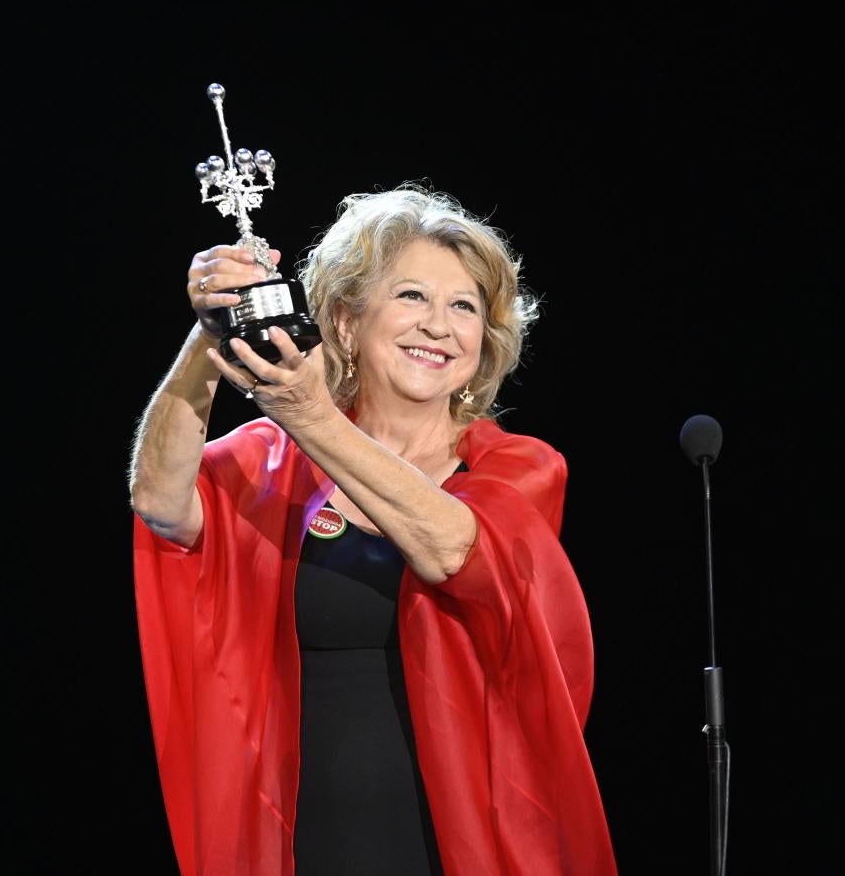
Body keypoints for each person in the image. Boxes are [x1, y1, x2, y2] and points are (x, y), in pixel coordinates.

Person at [129, 185, 615, 875]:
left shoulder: (518, 469)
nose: (439, 326)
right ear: (348, 323)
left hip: (460, 849)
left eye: (464, 307)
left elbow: (453, 549)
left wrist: (310, 414)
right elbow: (161, 500)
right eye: (413, 296)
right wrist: (211, 330)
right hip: (303, 847)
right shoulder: (274, 463)